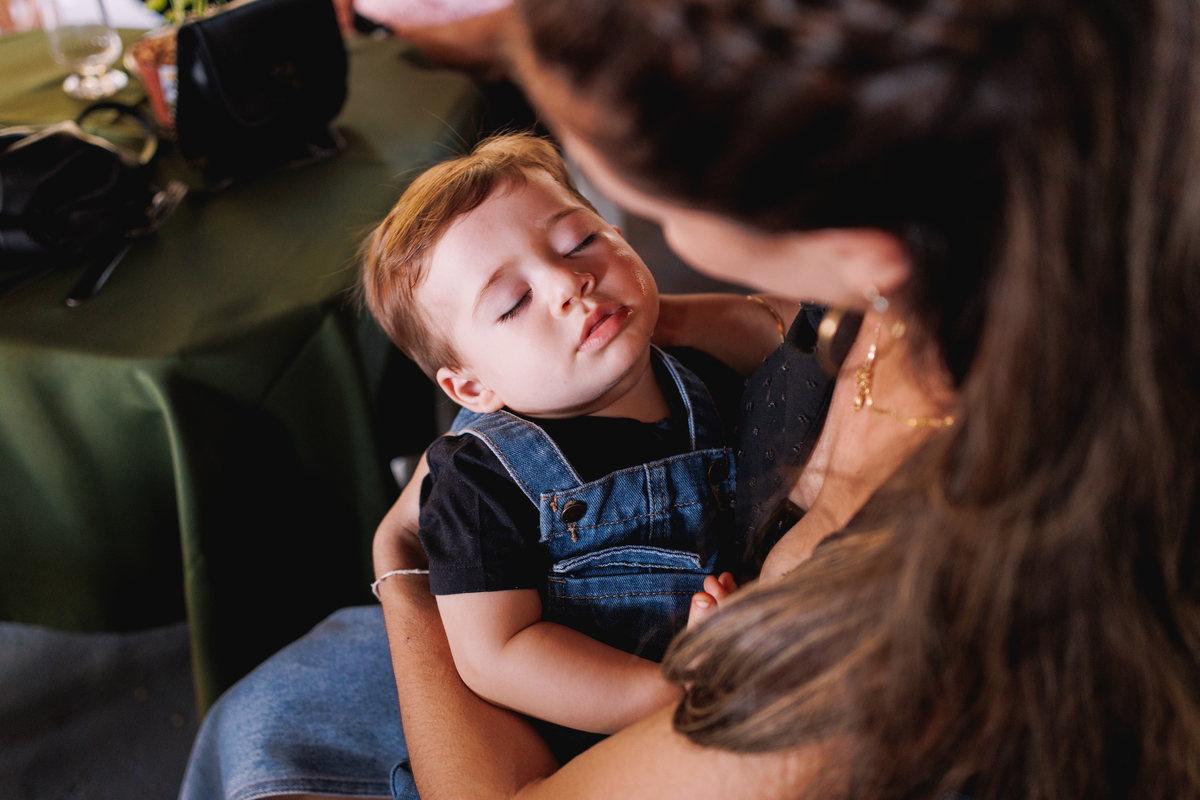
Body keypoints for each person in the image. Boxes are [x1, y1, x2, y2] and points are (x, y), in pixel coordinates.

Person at [181, 1, 1200, 798]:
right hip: (582, 635)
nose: (581, 281)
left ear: (843, 225)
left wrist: (398, 572)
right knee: (261, 717)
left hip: (686, 695)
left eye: (614, 223)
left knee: (271, 731)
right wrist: (674, 325)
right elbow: (772, 328)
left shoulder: (928, 567)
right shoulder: (934, 262)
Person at [358, 133, 772, 745]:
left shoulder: (708, 377)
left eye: (582, 240)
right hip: (612, 745)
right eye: (513, 302)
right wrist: (672, 691)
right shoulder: (479, 479)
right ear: (471, 389)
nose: (568, 281)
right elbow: (497, 653)